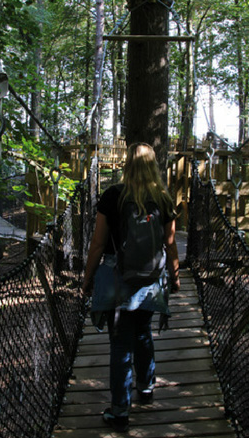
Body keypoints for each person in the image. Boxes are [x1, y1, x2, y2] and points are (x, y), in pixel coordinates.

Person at [82, 142, 180, 433]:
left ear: (127, 164)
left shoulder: (113, 195)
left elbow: (98, 244)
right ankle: (146, 387)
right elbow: (171, 245)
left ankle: (120, 411)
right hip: (152, 280)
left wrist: (87, 279)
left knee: (120, 342)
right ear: (153, 166)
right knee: (142, 331)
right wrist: (175, 278)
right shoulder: (163, 198)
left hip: (118, 280)